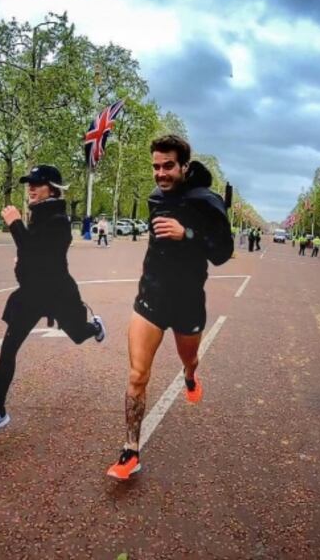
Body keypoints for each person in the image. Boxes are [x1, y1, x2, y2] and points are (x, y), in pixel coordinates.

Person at [106, 135, 233, 480]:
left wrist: (186, 234)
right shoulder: (154, 197)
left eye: (168, 166)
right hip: (151, 296)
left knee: (188, 359)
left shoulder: (207, 201)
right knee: (137, 375)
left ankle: (190, 377)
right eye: (156, 167)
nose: (160, 173)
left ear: (184, 166)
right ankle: (130, 451)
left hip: (188, 301)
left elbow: (223, 253)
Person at [0, 165, 106, 442]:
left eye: (37, 184)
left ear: (53, 189)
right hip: (32, 295)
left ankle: (94, 327)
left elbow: (34, 250)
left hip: (58, 293)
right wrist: (22, 260)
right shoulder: (39, 214)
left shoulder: (58, 220)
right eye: (29, 184)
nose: (30, 188)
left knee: (79, 335)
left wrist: (14, 224)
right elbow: (33, 254)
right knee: (8, 349)